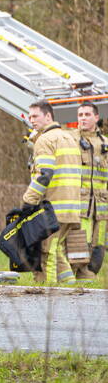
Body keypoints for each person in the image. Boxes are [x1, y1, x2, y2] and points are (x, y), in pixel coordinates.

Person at [24, 100, 84, 285]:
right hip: (71, 207)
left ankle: (47, 296)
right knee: (56, 250)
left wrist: (29, 200)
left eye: (36, 116)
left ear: (48, 116)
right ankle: (70, 288)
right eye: (30, 116)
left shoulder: (45, 140)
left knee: (46, 253)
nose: (31, 120)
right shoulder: (69, 138)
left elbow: (45, 174)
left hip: (54, 208)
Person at [74, 103, 108, 275]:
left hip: (102, 207)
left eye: (87, 114)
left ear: (96, 117)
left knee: (99, 245)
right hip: (82, 205)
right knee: (80, 243)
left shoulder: (105, 144)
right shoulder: (72, 141)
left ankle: (91, 276)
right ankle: (78, 275)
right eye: (80, 115)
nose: (83, 118)